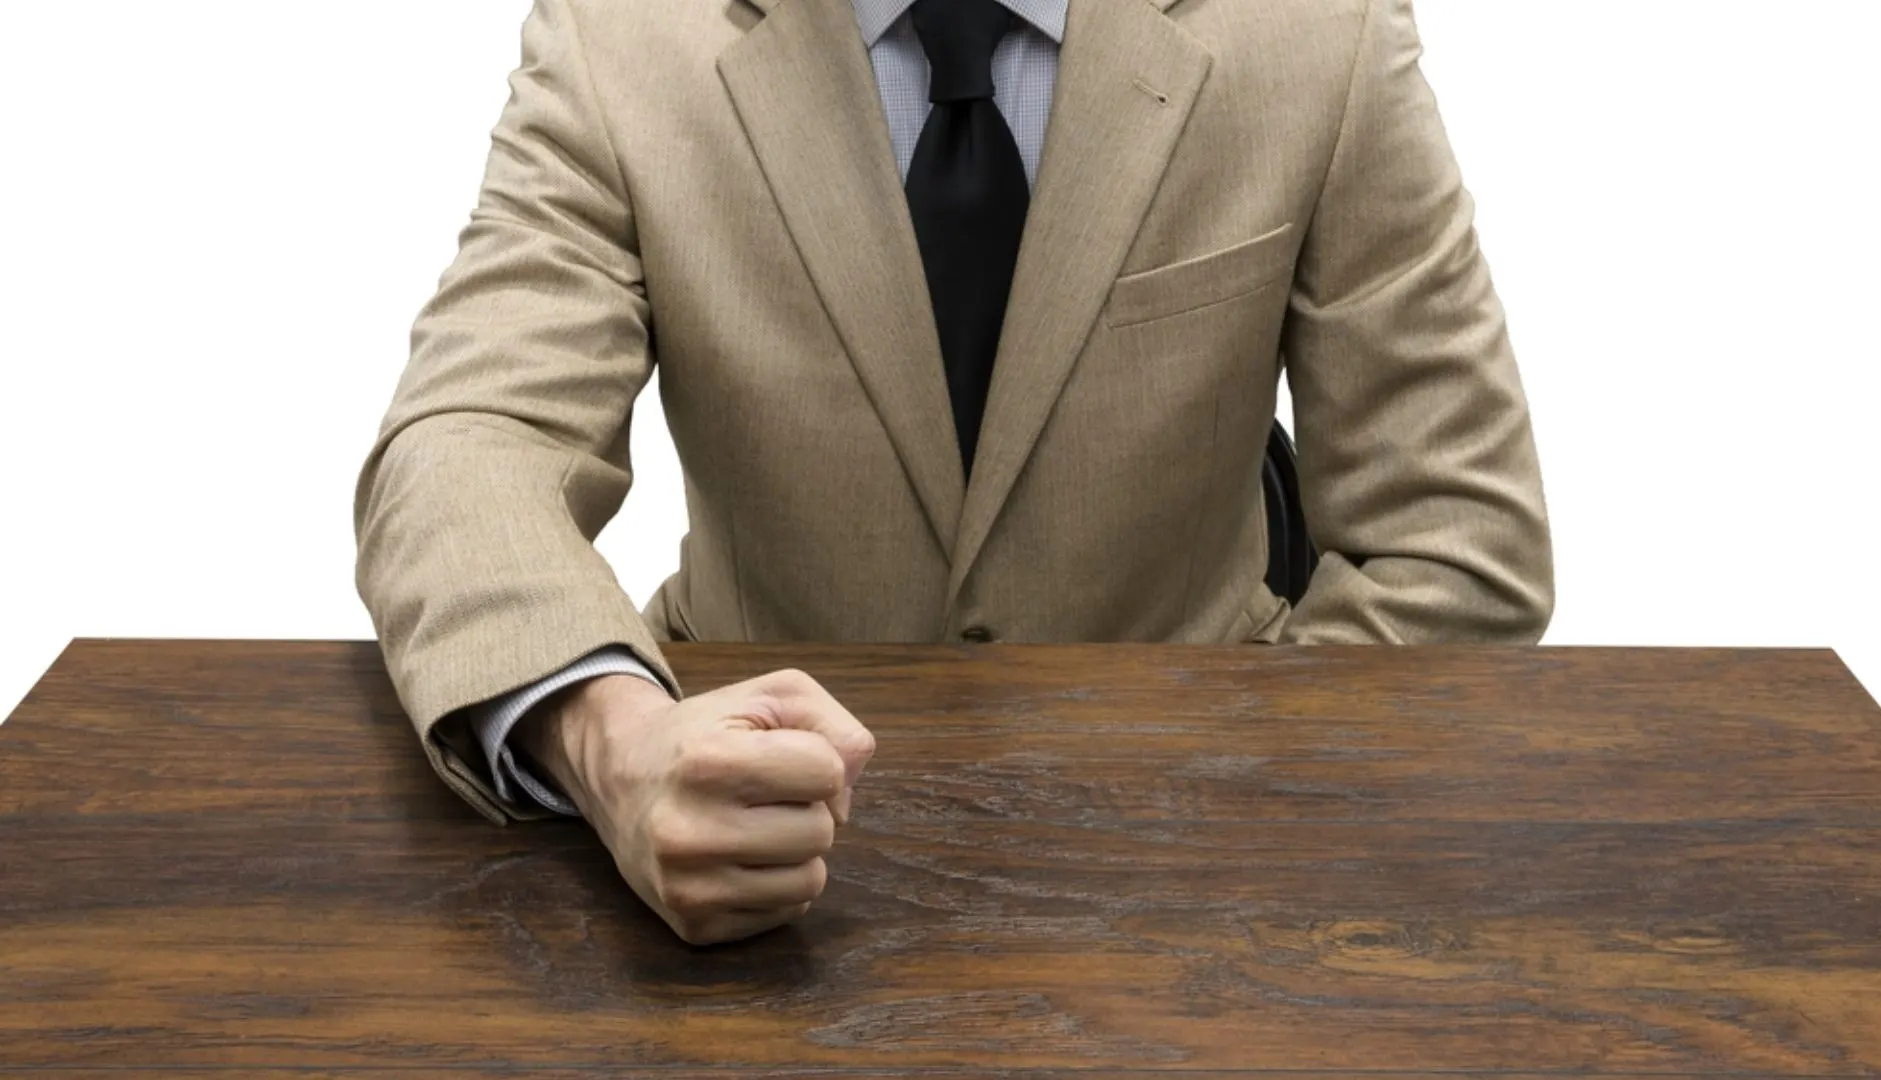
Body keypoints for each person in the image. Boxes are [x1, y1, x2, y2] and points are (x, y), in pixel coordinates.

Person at [353, 0, 1553, 945]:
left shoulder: (1316, 28)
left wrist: (1229, 824)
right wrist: (618, 748)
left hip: (1204, 877)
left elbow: (1455, 540)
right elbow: (465, 443)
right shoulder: (624, 34)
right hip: (744, 869)